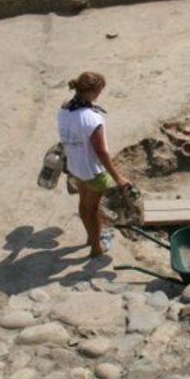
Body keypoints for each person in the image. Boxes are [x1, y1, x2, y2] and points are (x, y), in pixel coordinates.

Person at [58, 72, 133, 257]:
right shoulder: (92, 119)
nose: (100, 94)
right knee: (93, 209)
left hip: (75, 167)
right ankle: (97, 247)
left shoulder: (64, 110)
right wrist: (118, 177)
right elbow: (101, 152)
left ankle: (90, 238)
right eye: (99, 91)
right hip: (92, 171)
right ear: (91, 91)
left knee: (84, 204)